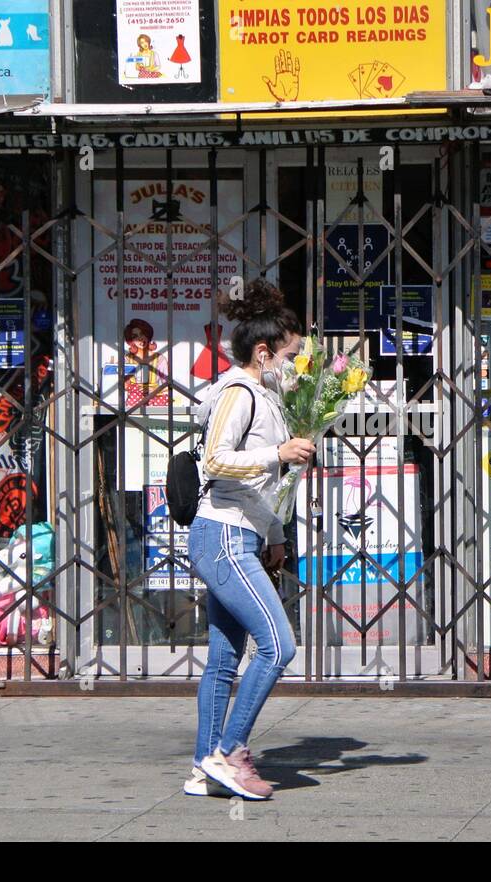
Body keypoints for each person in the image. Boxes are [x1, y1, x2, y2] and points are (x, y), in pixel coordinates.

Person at [183, 279, 315, 800]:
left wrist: (277, 531)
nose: (296, 364)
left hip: (237, 533)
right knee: (279, 644)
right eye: (291, 354)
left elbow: (252, 482)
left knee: (222, 661)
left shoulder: (264, 396)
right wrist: (277, 454)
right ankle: (230, 753)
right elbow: (217, 461)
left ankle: (202, 768)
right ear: (264, 353)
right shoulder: (239, 392)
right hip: (222, 536)